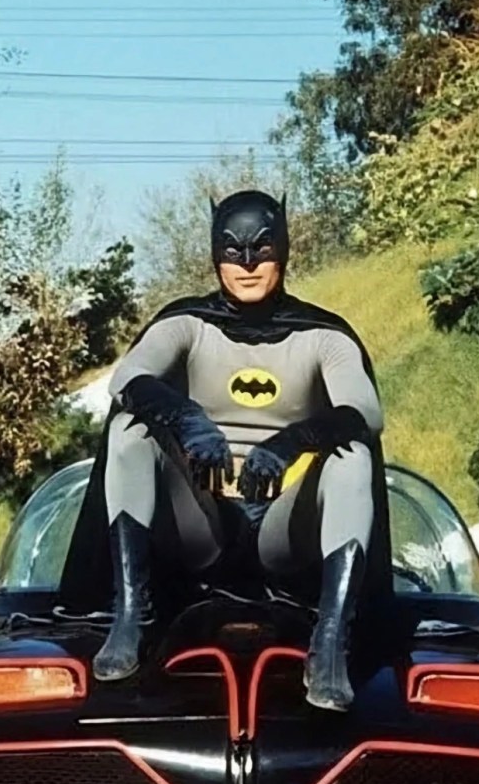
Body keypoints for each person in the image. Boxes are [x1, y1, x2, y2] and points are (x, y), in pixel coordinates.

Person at [59, 190, 393, 711]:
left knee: (353, 459)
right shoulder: (187, 323)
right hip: (204, 520)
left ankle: (330, 643)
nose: (248, 263)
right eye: (233, 249)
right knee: (130, 430)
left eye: (262, 247)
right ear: (215, 252)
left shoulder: (322, 336)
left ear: (283, 249)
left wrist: (294, 440)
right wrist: (188, 421)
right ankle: (133, 614)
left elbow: (365, 411)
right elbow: (126, 379)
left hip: (284, 528)